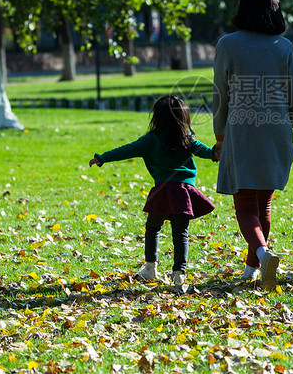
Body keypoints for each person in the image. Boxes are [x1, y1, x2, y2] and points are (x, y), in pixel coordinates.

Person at [213, 0, 293, 291]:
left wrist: (220, 136)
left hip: (241, 128)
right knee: (263, 202)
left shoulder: (228, 44)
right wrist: (284, 124)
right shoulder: (284, 46)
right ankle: (253, 268)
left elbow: (221, 94)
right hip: (277, 128)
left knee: (245, 203)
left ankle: (262, 255)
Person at [88, 95, 218, 285]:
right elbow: (209, 152)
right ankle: (179, 273)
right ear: (184, 118)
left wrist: (103, 158)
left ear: (156, 118)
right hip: (184, 192)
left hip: (162, 191)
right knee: (180, 232)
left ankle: (150, 268)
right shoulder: (187, 139)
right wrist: (218, 151)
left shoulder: (150, 140)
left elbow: (126, 150)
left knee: (153, 228)